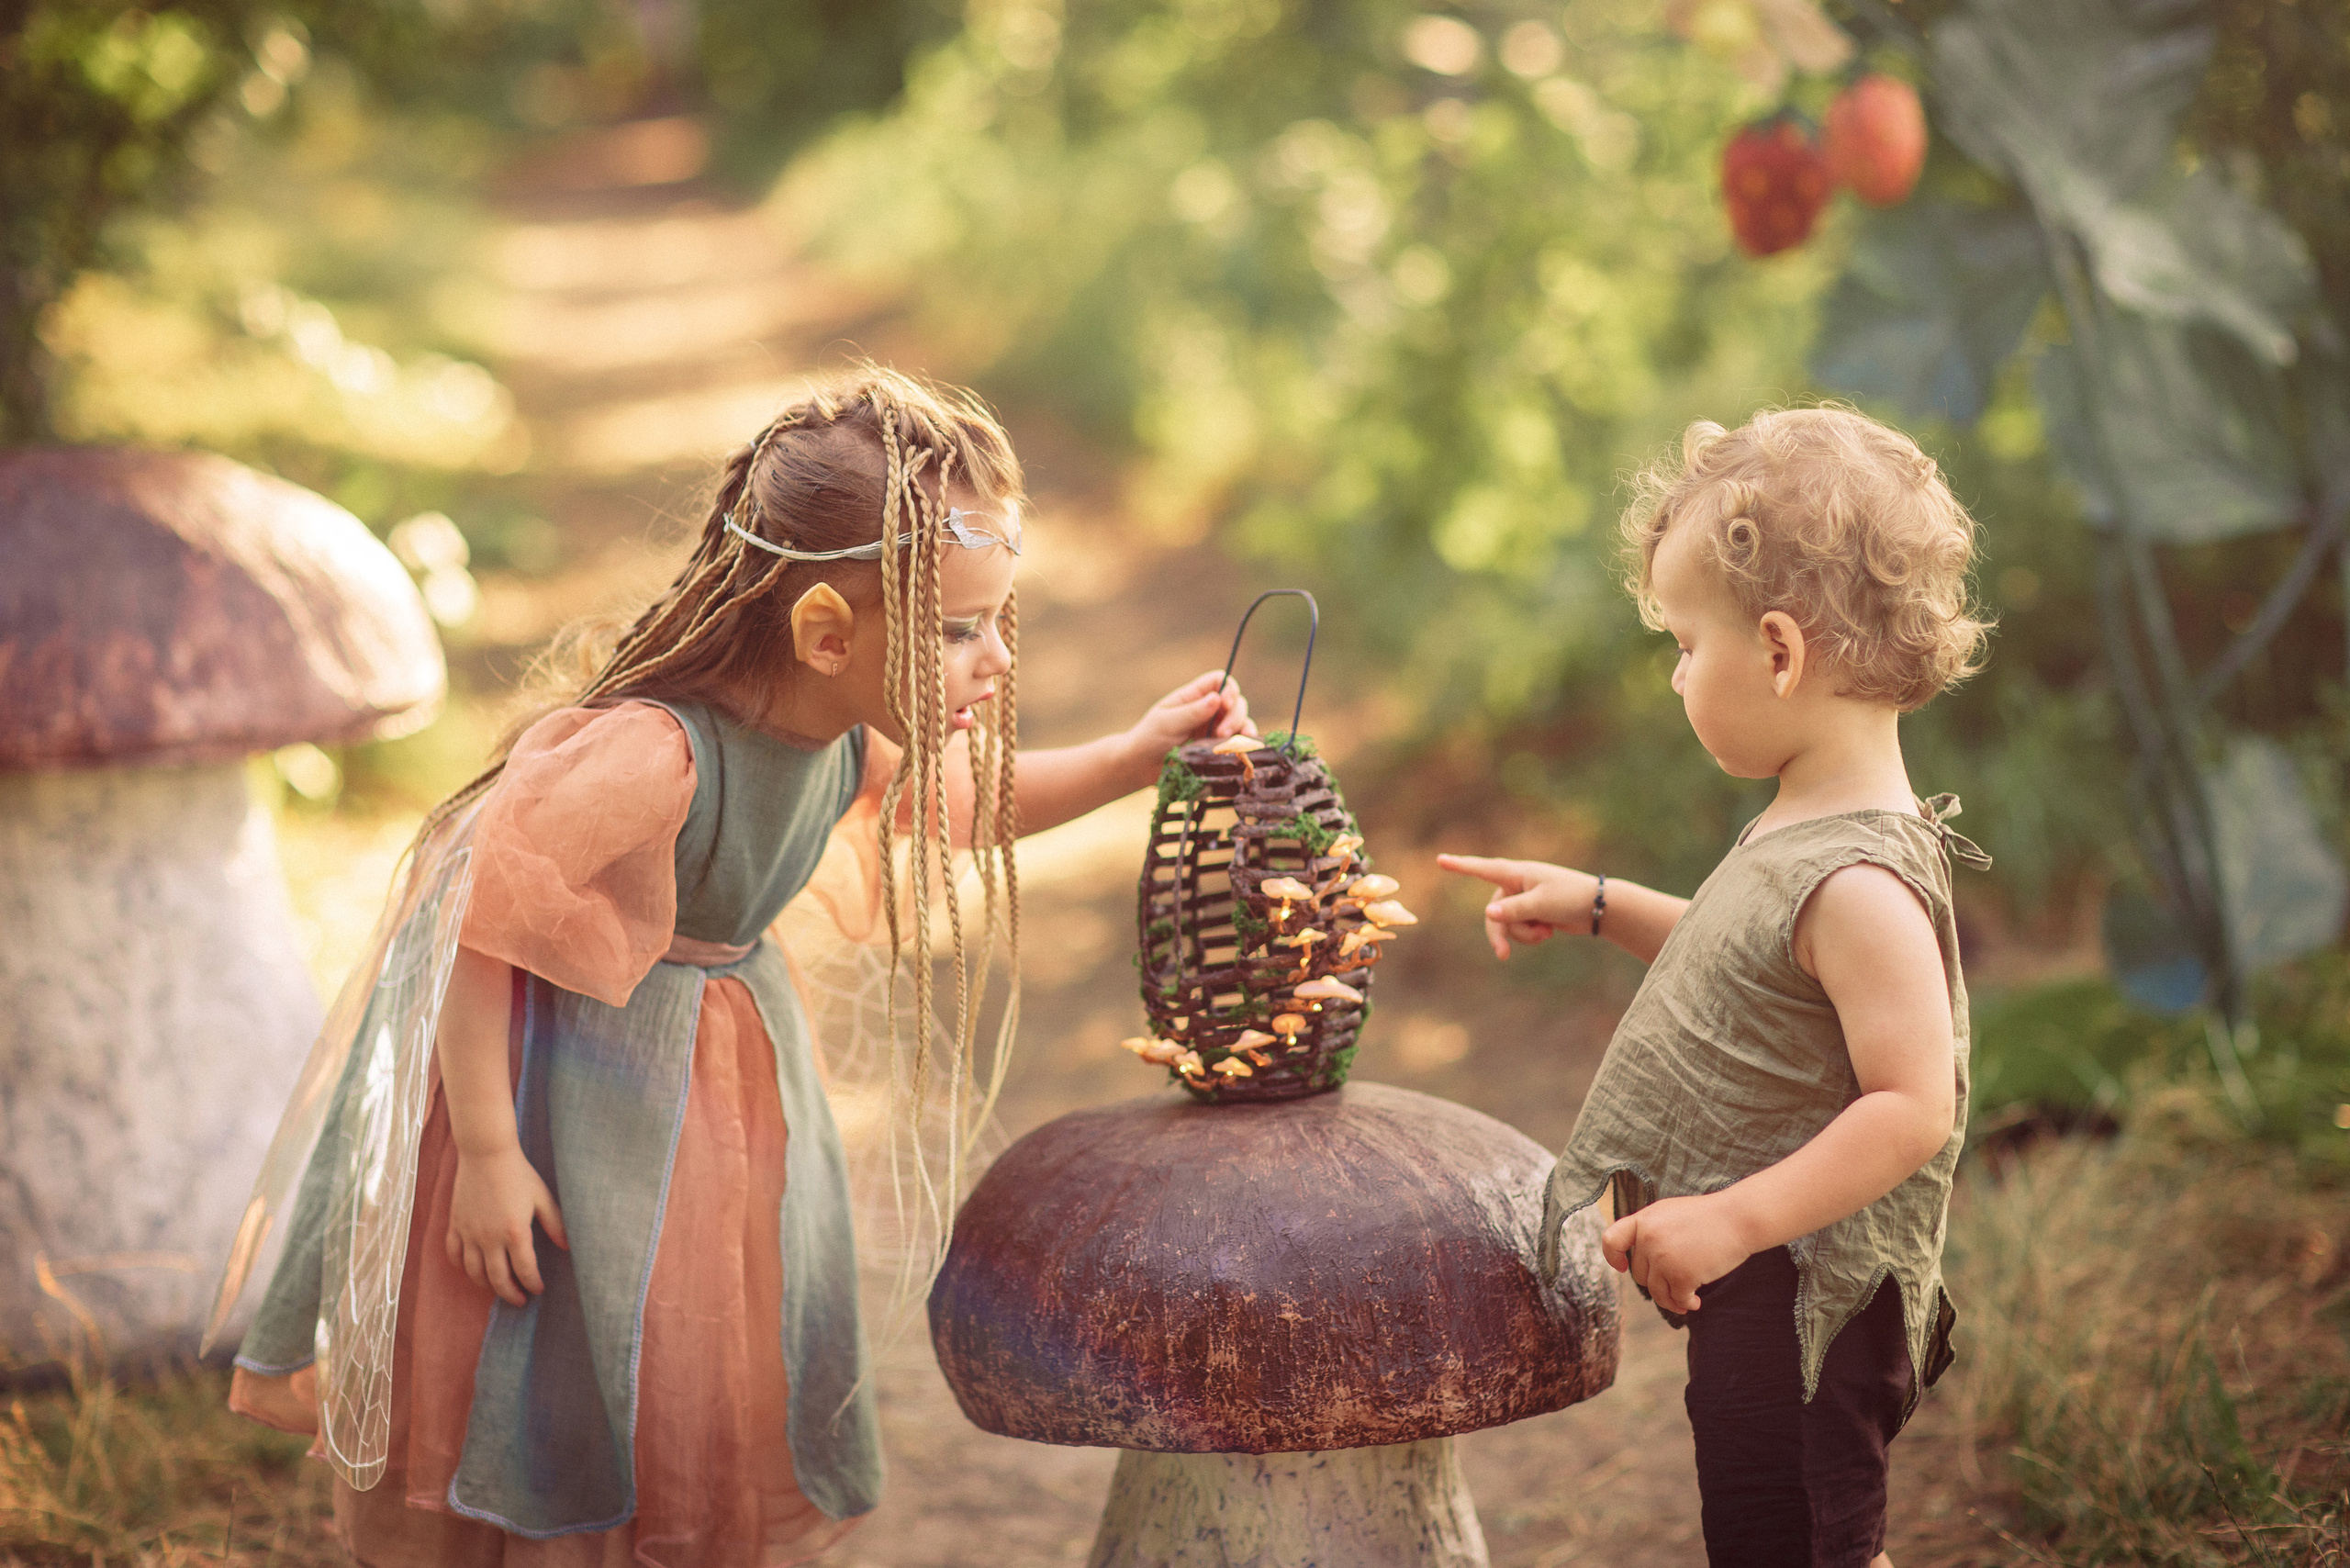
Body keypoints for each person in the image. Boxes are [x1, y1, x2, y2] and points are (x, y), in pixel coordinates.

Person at [221, 368, 1253, 1566]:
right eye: (962, 631)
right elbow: (477, 913)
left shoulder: (843, 737)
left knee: (694, 1335)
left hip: (710, 1078)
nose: (996, 664)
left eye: (999, 624)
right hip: (558, 1090)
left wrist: (1136, 757)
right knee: (579, 1328)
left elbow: (967, 808)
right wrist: (492, 1155)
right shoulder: (652, 755)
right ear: (825, 632)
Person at [1440, 406, 1992, 1568]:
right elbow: (1751, 963)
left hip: (1805, 1288)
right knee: (1793, 1535)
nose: (1678, 675)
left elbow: (1913, 1104)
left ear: (1780, 653)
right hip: (1766, 1271)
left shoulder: (1858, 877)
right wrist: (1599, 904)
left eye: (1686, 645)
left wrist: (1733, 1217)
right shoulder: (1811, 824)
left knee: (1792, 1540)